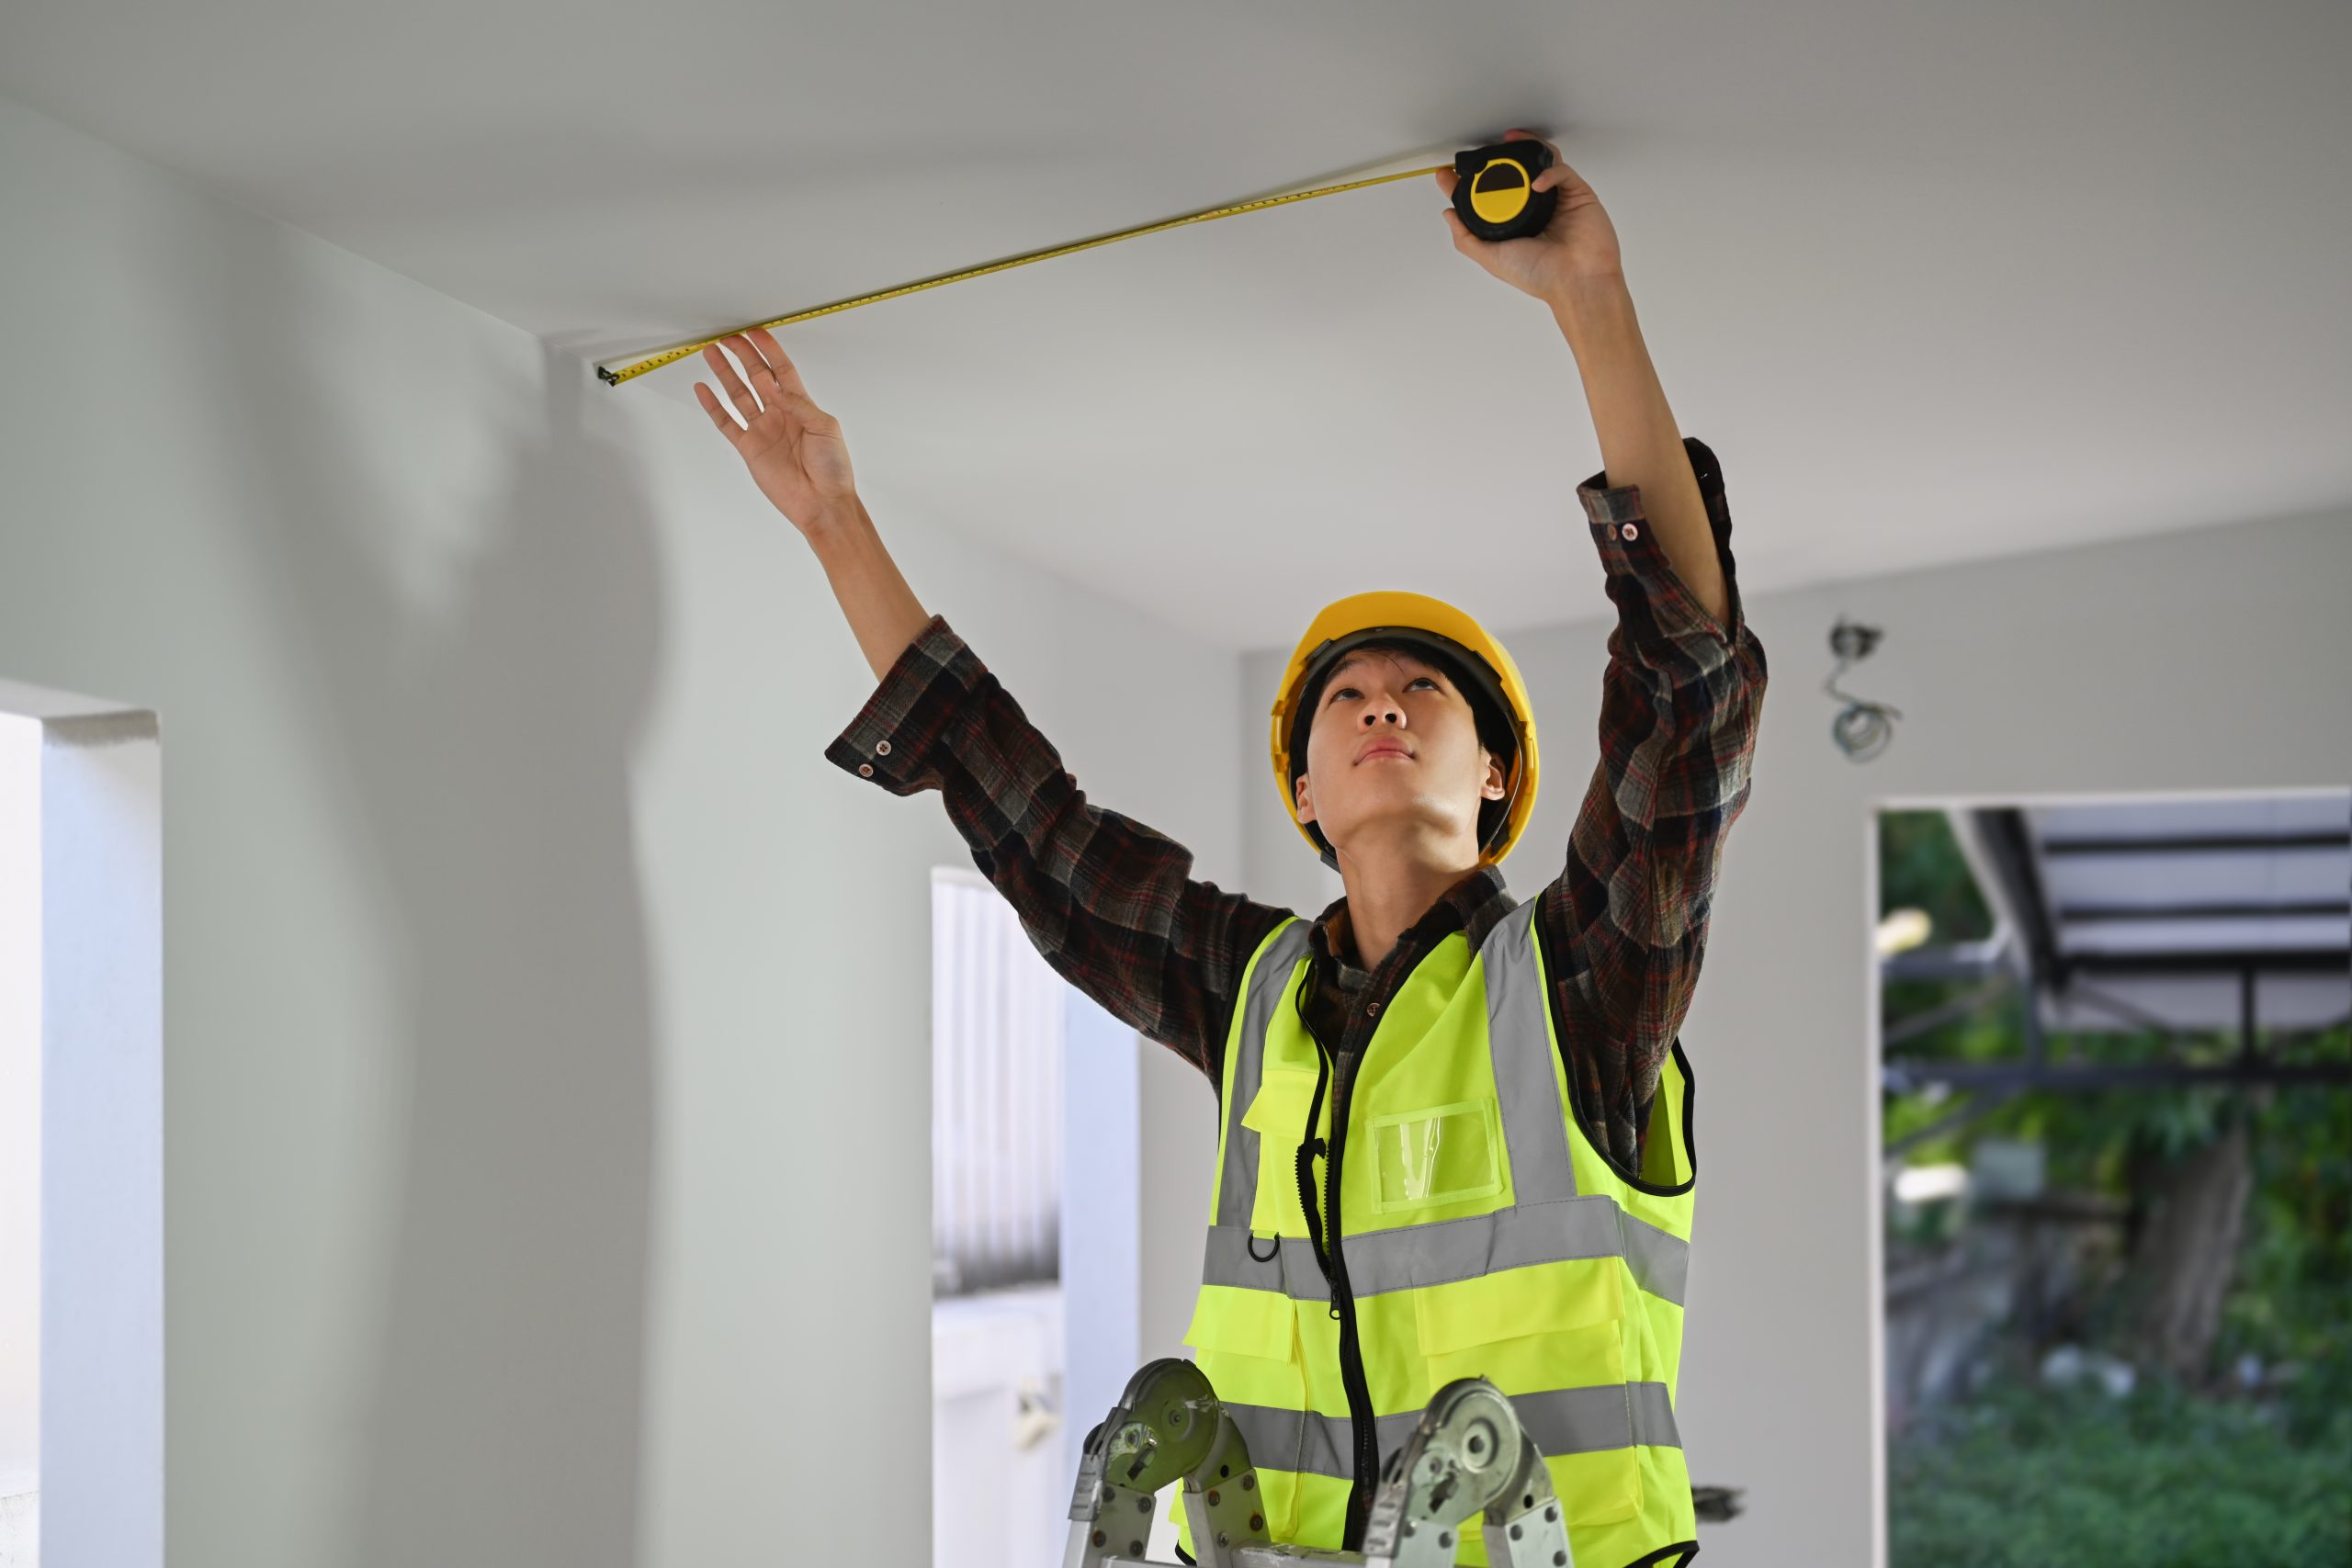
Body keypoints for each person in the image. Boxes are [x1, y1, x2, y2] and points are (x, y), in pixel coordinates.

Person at [695, 130, 1767, 1568]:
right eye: (1344, 696)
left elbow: (1686, 700)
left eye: (1424, 690)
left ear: (1500, 774)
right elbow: (1033, 828)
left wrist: (1589, 299)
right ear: (1308, 793)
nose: (1380, 700)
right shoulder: (1252, 997)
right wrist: (834, 520)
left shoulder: (1578, 989)